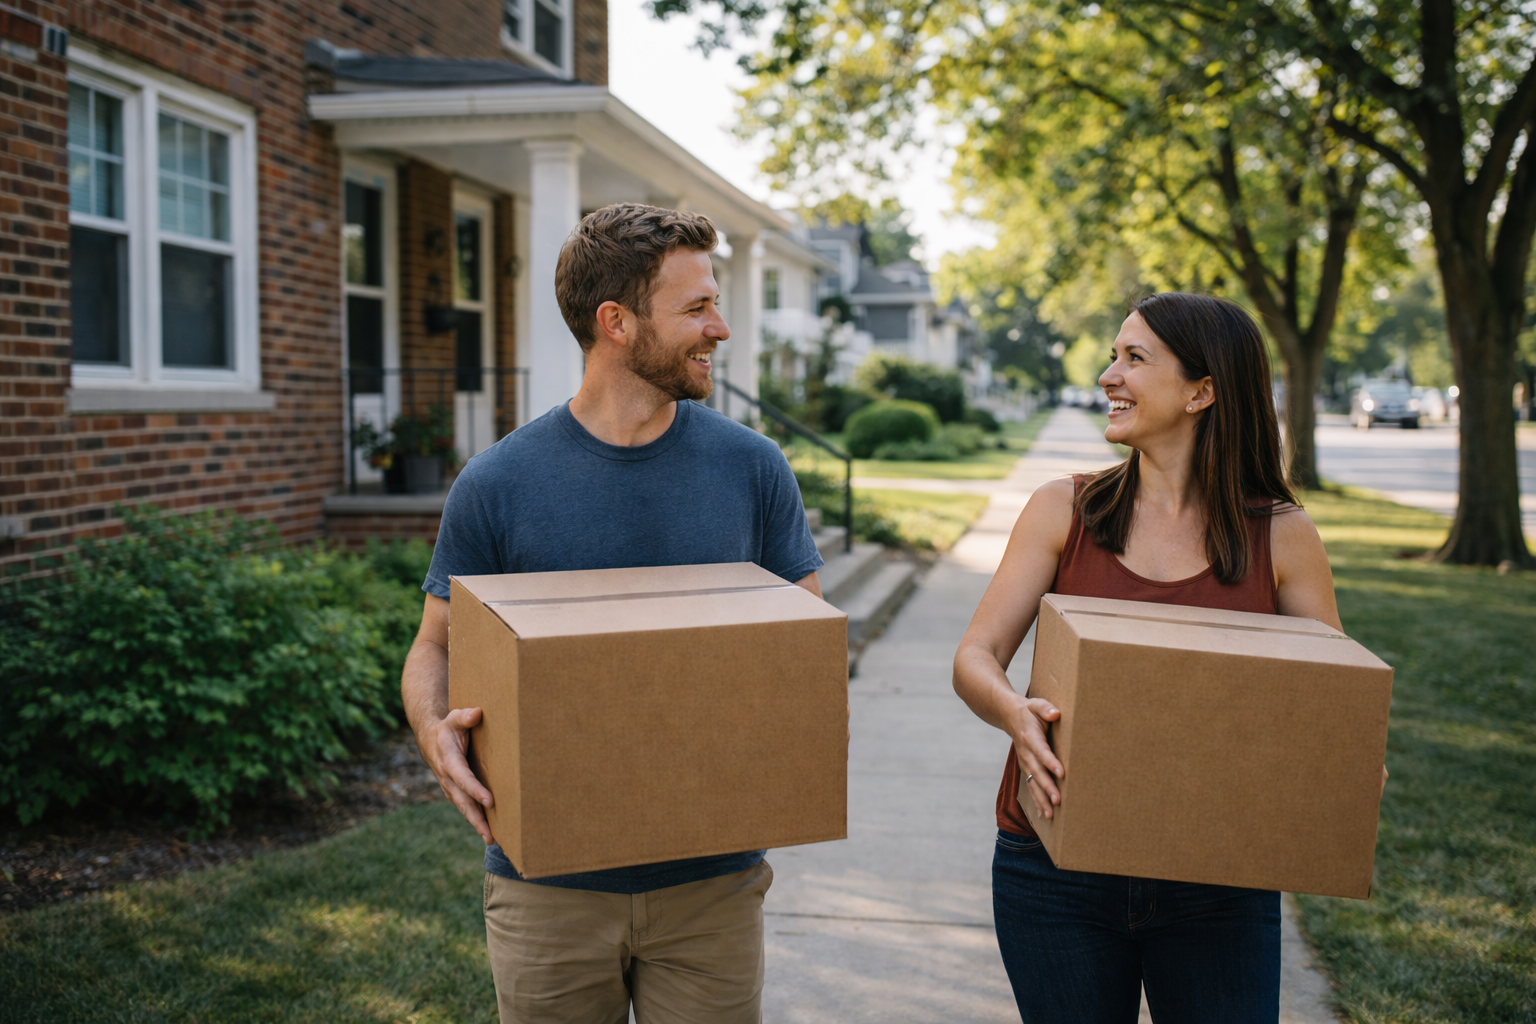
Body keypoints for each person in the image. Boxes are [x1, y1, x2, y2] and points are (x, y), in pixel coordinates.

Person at [401, 203, 826, 1023]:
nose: (721, 327)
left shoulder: (752, 468)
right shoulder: (497, 483)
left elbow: (800, 653)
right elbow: (432, 647)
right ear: (617, 323)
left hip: (713, 885)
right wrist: (435, 735)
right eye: (697, 308)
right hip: (546, 890)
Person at [953, 292, 1380, 1023]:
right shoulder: (1066, 510)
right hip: (1055, 874)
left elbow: (1331, 710)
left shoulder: (1282, 536)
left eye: (1134, 358)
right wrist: (1013, 715)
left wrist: (1343, 765)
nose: (1108, 376)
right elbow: (977, 655)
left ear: (1202, 390)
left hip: (1218, 881)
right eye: (1114, 355)